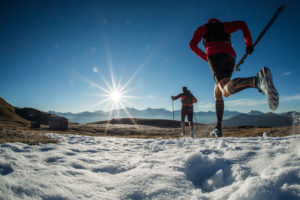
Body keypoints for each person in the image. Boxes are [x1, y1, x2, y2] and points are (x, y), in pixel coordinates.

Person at [189, 18, 279, 137]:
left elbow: (192, 45)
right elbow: (242, 24)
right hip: (230, 55)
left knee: (224, 91)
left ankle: (257, 80)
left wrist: (206, 57)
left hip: (214, 55)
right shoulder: (225, 26)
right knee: (217, 91)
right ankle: (218, 128)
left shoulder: (203, 29)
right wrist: (248, 44)